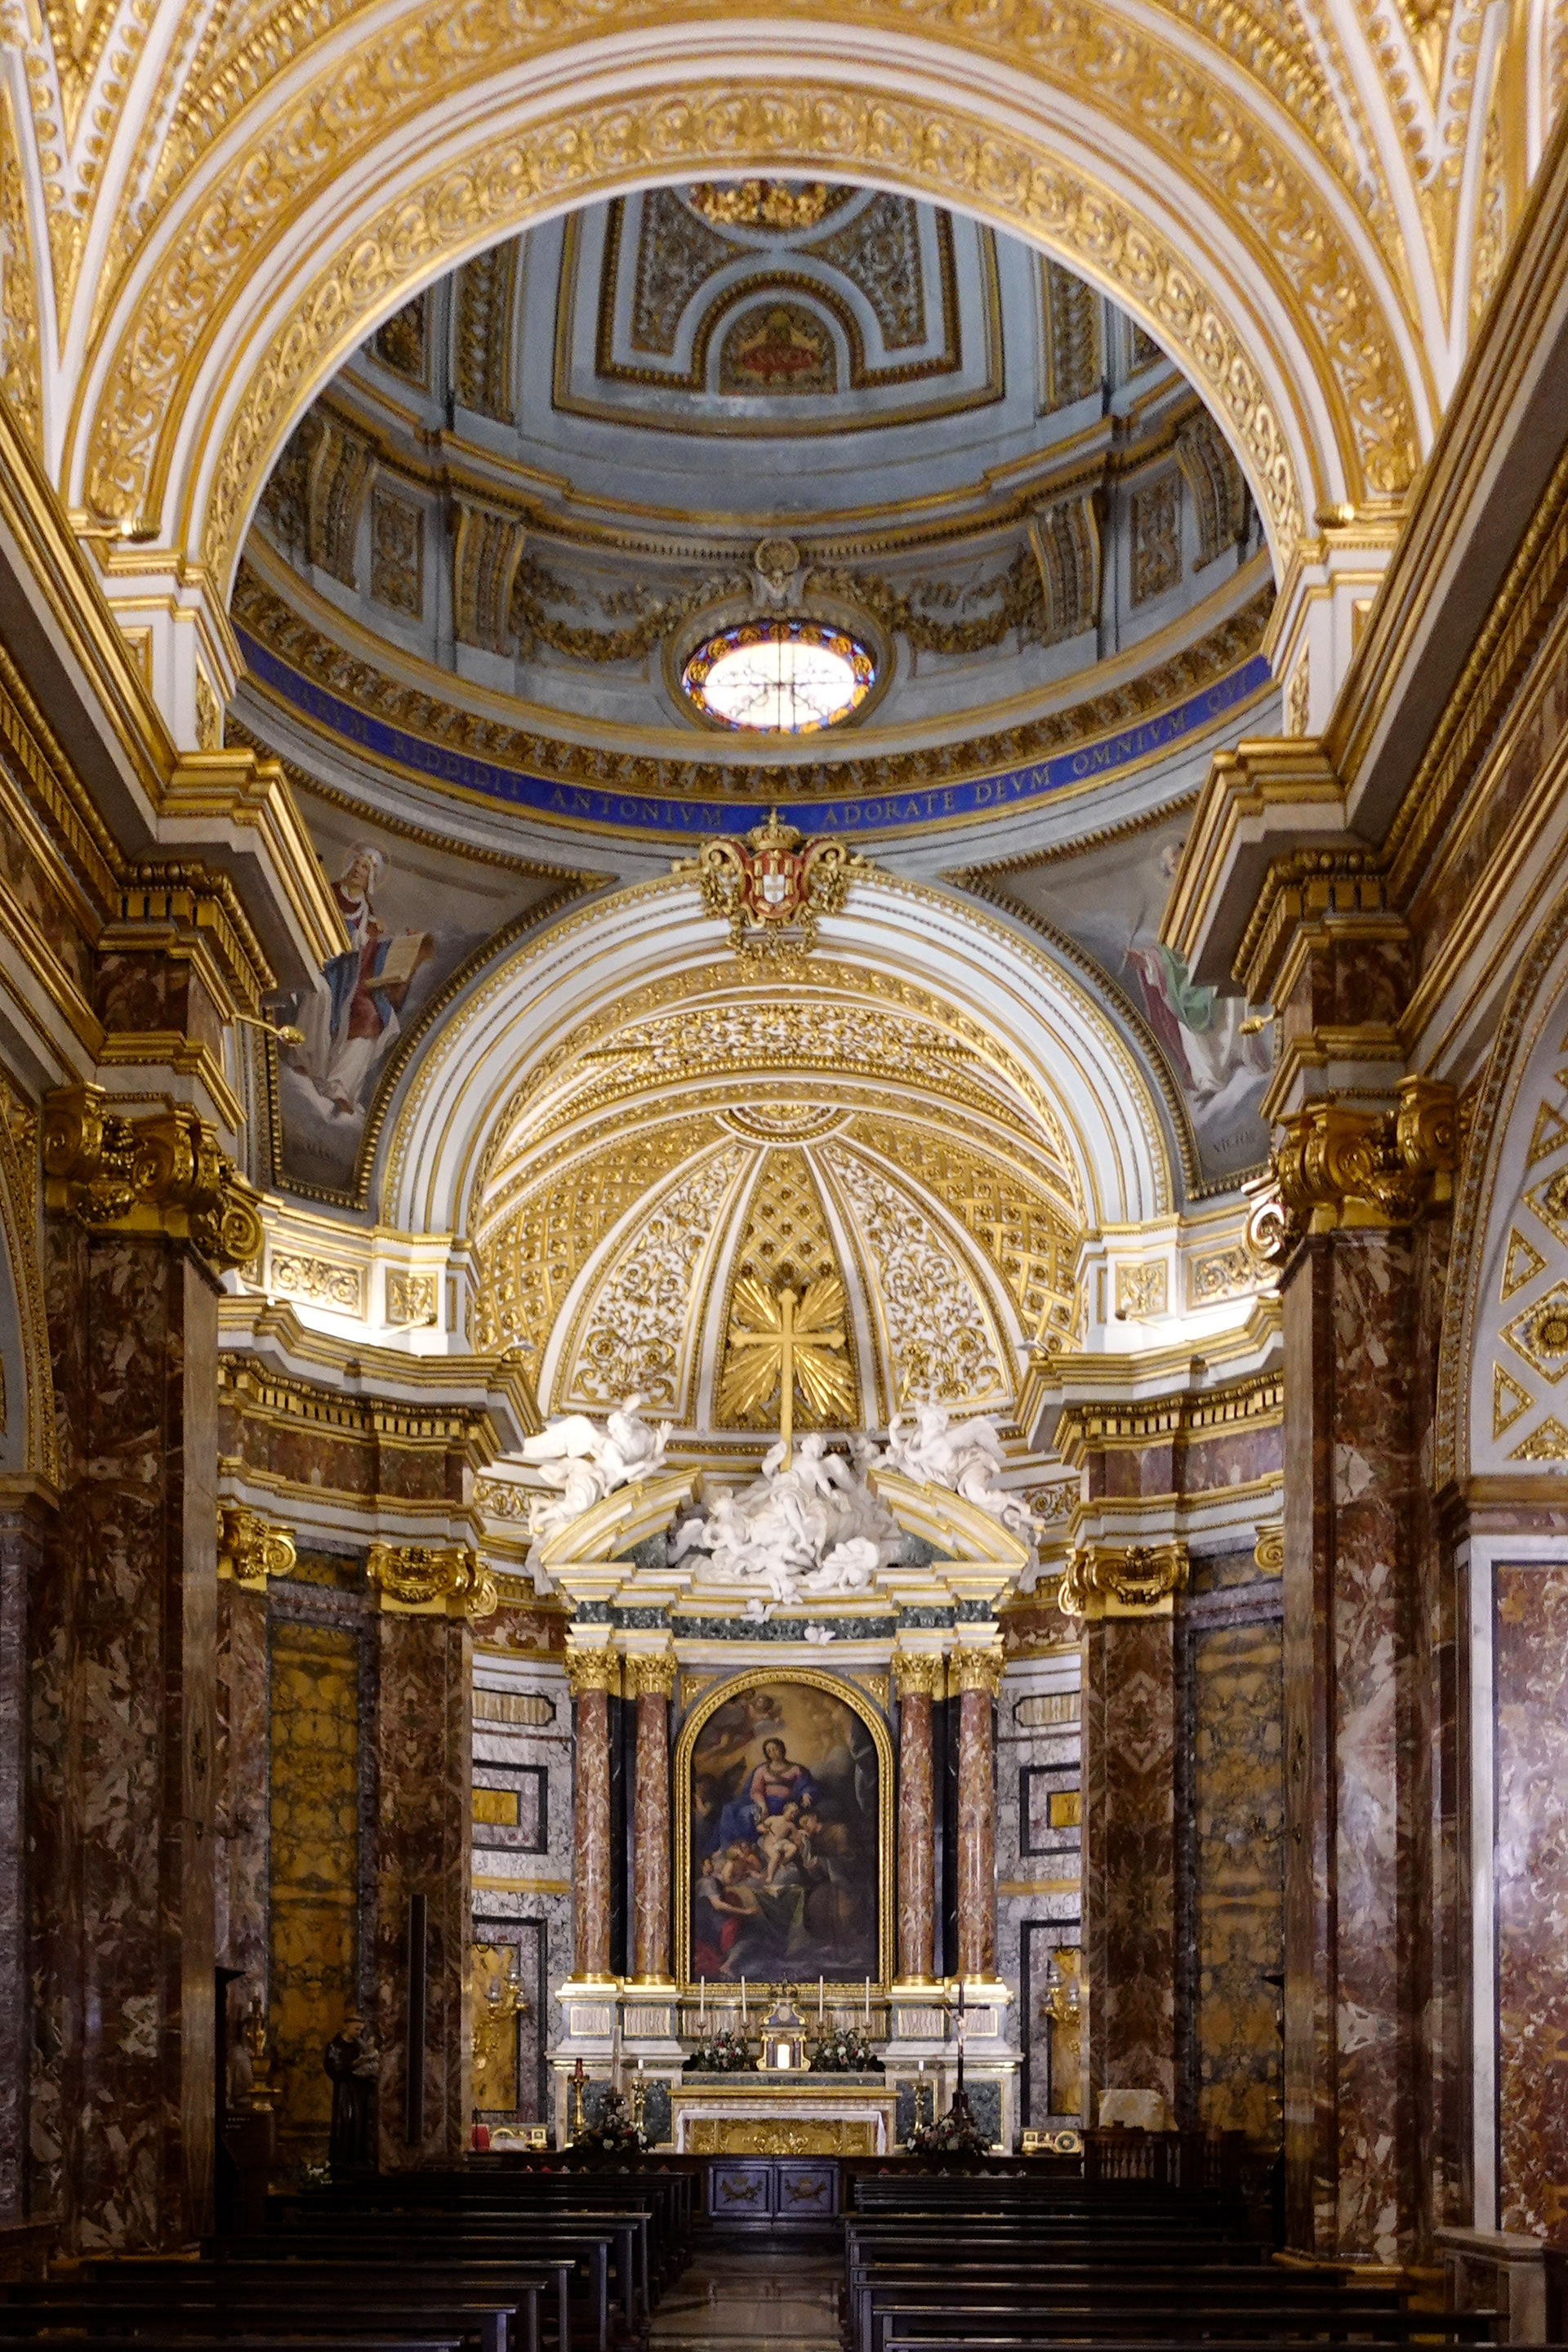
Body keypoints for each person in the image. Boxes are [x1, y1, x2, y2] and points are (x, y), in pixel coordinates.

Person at [324, 2014, 379, 2170]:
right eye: (356, 2029)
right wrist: (354, 2064)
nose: (358, 2033)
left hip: (361, 2090)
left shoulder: (359, 2046)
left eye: (361, 2030)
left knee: (360, 2125)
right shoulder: (335, 2046)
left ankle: (359, 2159)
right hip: (345, 2090)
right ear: (346, 2026)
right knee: (346, 2123)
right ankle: (342, 2160)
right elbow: (334, 2067)